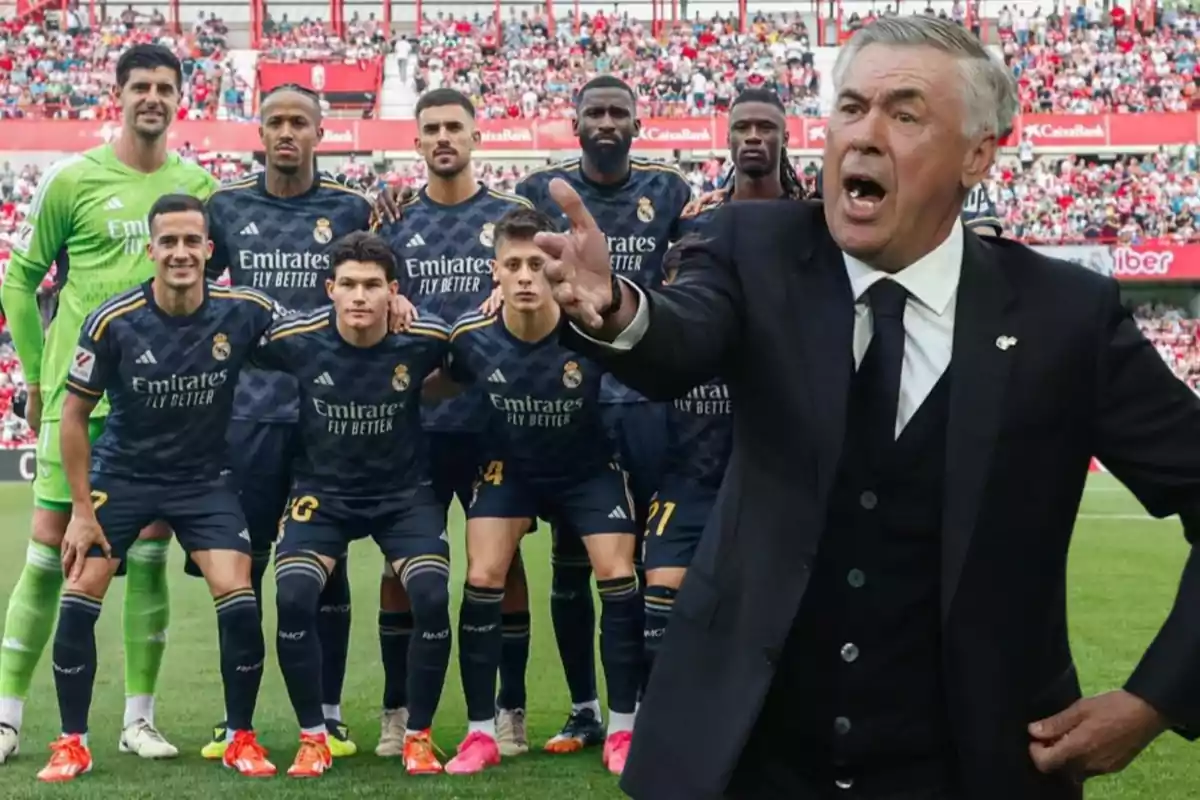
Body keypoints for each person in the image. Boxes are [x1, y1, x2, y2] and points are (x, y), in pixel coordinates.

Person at [542, 16, 1200, 800]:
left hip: (972, 764)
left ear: (978, 154)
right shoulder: (753, 248)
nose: (864, 135)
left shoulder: (1068, 318)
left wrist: (1156, 699)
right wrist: (617, 307)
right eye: (851, 108)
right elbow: (681, 335)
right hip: (744, 759)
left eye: (906, 113)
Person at [0, 43, 218, 764]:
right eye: (140, 86)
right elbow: (19, 281)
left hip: (159, 412)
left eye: (164, 85)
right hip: (79, 406)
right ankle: (6, 718)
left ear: (179, 96)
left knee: (149, 562)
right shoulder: (73, 179)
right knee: (45, 561)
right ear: (118, 95)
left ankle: (139, 719)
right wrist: (36, 379)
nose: (152, 96)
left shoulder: (199, 187)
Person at [199, 83, 410, 759]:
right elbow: (200, 295)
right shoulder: (226, 206)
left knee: (328, 559)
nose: (286, 132)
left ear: (321, 132)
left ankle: (328, 710)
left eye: (299, 122)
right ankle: (239, 720)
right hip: (251, 414)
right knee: (245, 565)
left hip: (327, 412)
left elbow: (375, 284)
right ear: (258, 131)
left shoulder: (349, 207)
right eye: (274, 122)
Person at [39, 194, 277, 782]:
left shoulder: (244, 311)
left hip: (205, 479)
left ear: (208, 250)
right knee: (80, 588)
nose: (179, 253)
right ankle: (72, 741)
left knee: (238, 592)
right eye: (167, 242)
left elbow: (316, 336)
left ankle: (241, 737)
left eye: (190, 242)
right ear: (151, 250)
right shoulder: (112, 320)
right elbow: (73, 415)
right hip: (123, 476)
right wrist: (79, 510)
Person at [514, 74, 693, 755]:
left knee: (649, 561)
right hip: (572, 395)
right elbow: (510, 266)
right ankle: (585, 708)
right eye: (597, 112)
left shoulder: (668, 190)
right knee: (570, 559)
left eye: (620, 111)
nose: (609, 122)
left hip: (650, 397)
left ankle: (647, 703)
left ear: (637, 123)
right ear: (576, 123)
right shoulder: (541, 193)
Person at [434, 207, 642, 777]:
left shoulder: (590, 329)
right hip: (512, 470)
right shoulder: (471, 339)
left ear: (557, 268)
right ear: (494, 272)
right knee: (481, 577)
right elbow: (430, 386)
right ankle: (480, 733)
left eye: (537, 263)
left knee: (616, 575)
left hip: (587, 469)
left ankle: (623, 729)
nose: (525, 275)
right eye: (513, 265)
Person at [253, 232, 453, 778]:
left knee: (432, 595)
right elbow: (231, 334)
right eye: (348, 285)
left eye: (372, 285)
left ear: (393, 291)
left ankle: (418, 736)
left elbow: (470, 359)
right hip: (322, 494)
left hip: (403, 495)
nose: (359, 296)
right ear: (330, 290)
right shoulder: (296, 338)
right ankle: (313, 737)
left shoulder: (426, 336)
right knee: (293, 594)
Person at [377, 87, 532, 757]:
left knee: (502, 560)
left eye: (455, 127)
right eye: (432, 128)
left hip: (495, 417)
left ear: (475, 137)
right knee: (397, 563)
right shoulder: (392, 222)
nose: (444, 138)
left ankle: (511, 708)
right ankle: (396, 710)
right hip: (415, 419)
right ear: (417, 142)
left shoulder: (511, 218)